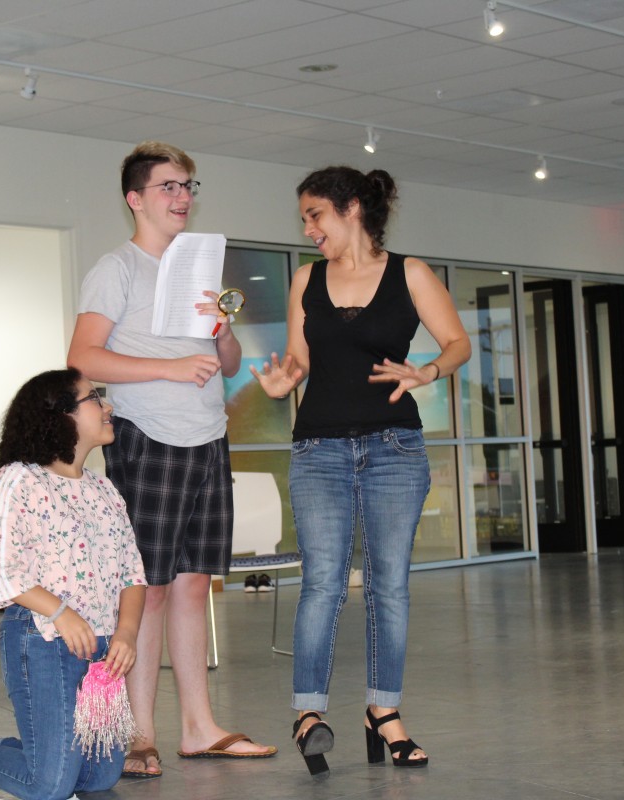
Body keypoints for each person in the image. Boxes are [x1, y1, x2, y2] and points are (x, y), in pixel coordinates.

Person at [251, 166, 470, 774]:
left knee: (388, 587)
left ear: (350, 209)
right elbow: (298, 359)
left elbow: (457, 343)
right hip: (318, 449)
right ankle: (308, 713)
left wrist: (426, 371)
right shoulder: (305, 280)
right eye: (303, 218)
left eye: (314, 215)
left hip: (394, 450)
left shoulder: (410, 274)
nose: (308, 228)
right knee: (322, 580)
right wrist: (281, 381)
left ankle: (384, 712)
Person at [67, 141, 276, 778]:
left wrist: (222, 332)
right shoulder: (117, 268)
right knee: (149, 592)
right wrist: (169, 367)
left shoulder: (197, 274)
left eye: (188, 185)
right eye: (168, 187)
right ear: (136, 198)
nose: (182, 197)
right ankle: (139, 735)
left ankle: (198, 727)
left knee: (193, 587)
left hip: (207, 438)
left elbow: (229, 366)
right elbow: (81, 358)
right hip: (144, 438)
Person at [0, 368, 147, 800]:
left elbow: (133, 573)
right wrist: (61, 611)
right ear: (60, 415)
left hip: (101, 653)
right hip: (43, 639)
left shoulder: (104, 488)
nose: (108, 406)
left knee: (99, 778)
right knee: (51, 785)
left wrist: (126, 633)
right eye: (95, 398)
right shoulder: (20, 480)